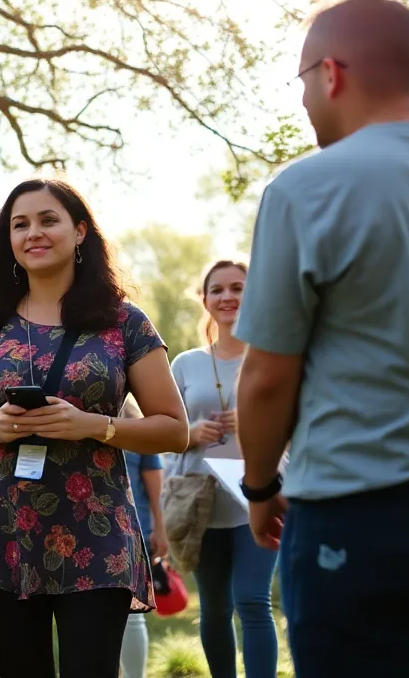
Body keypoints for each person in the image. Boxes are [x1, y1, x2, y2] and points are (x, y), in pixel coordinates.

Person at [0, 178, 189, 678]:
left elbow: (174, 430)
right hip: (0, 534)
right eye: (20, 224)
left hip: (96, 534)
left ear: (80, 232)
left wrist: (94, 426)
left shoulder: (124, 322)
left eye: (48, 220)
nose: (34, 233)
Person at [235, 0, 409, 675]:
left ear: (332, 73)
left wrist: (259, 489)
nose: (306, 99)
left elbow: (266, 377)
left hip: (357, 513)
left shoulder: (309, 189)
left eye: (303, 80)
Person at [166, 260, 277, 678]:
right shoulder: (185, 364)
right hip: (201, 503)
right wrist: (189, 434)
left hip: (260, 499)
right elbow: (165, 430)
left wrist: (255, 425)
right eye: (218, 290)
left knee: (252, 600)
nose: (228, 297)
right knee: (215, 608)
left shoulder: (273, 359)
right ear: (205, 300)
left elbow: (298, 427)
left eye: (238, 288)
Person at [118, 400, 169, 678]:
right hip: (90, 531)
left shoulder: (140, 428)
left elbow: (155, 488)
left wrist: (160, 530)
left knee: (132, 616)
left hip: (135, 532)